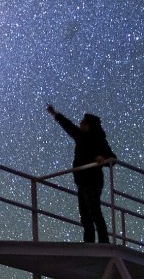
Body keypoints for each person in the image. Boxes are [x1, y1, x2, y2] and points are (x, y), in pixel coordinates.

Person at [46, 104, 116, 243]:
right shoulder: (80, 136)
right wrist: (55, 114)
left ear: (88, 125)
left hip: (93, 180)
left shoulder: (98, 140)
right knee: (85, 214)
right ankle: (89, 242)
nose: (80, 123)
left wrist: (104, 158)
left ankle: (103, 241)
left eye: (82, 122)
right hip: (82, 181)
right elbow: (68, 126)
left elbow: (113, 158)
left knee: (94, 211)